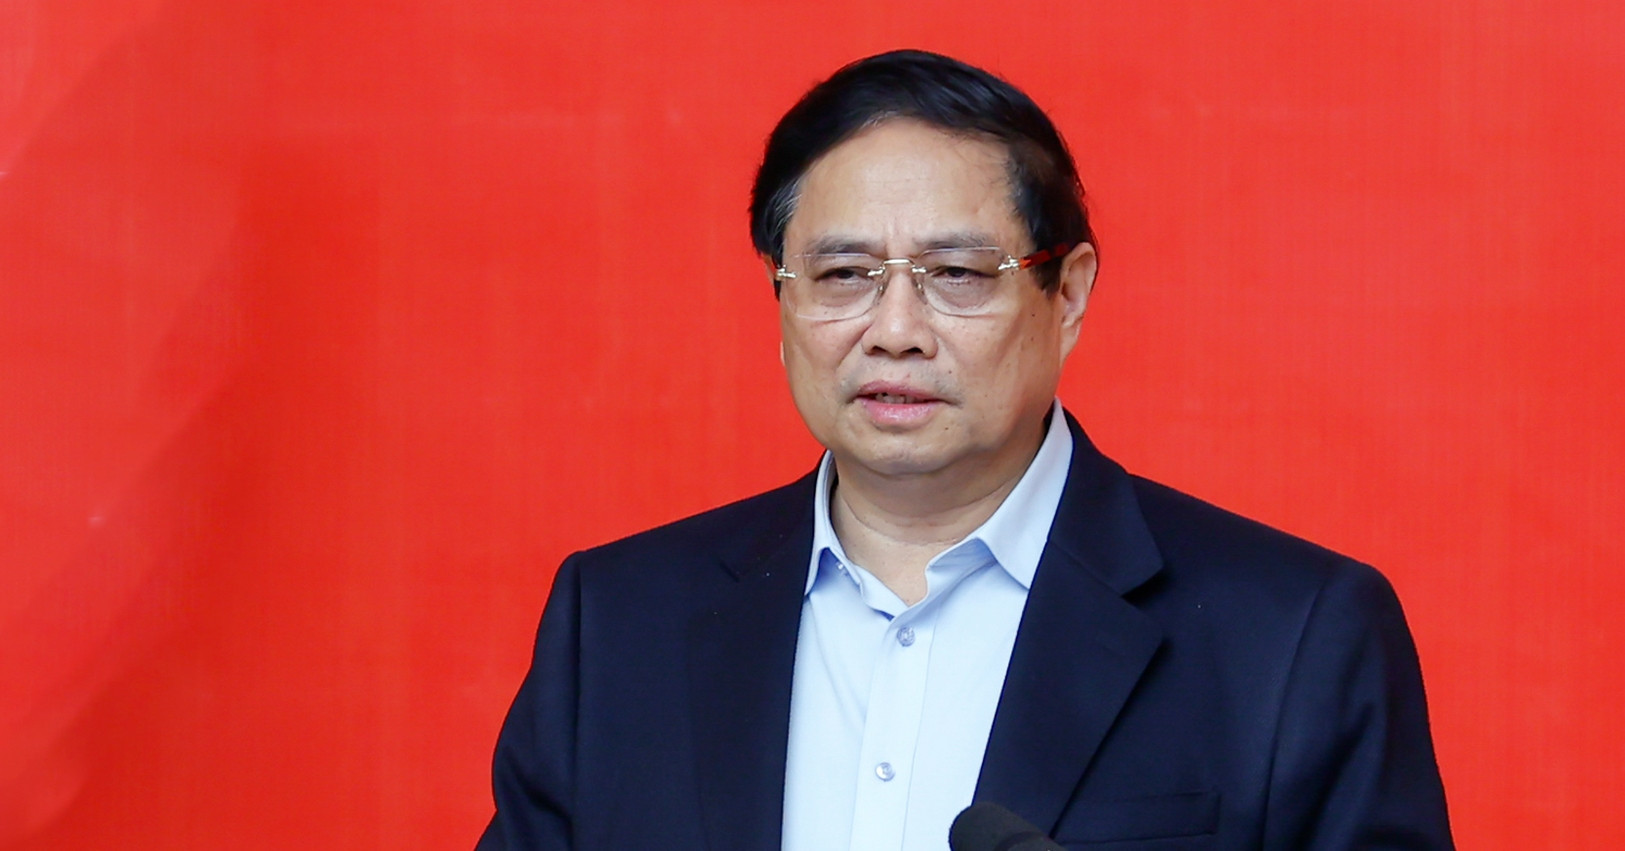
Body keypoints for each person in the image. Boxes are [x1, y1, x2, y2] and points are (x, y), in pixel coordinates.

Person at [477, 50, 1453, 850]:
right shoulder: (618, 624)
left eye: (954, 273)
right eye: (843, 273)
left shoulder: (1289, 636)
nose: (894, 330)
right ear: (779, 297)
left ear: (1066, 294)